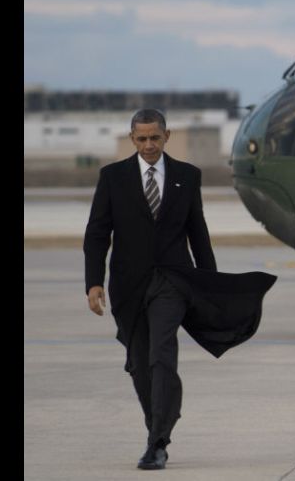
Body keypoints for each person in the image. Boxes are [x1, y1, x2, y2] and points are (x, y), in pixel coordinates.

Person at [84, 109, 276, 470]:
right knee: (140, 364)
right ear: (132, 139)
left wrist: (211, 283)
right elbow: (97, 233)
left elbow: (197, 233)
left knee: (162, 356)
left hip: (172, 281)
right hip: (128, 285)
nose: (148, 145)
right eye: (141, 139)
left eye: (154, 138)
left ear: (167, 136)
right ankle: (154, 427)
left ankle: (158, 441)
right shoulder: (113, 177)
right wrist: (93, 282)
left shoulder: (187, 177)